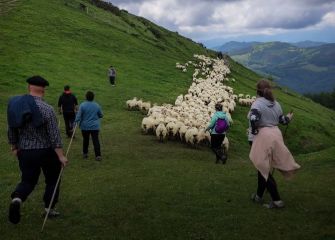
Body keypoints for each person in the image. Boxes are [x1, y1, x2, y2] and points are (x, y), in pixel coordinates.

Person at [7, 76, 68, 224]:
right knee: (53, 179)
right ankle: (49, 209)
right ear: (43, 89)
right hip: (46, 151)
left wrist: (14, 146)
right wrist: (61, 156)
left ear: (29, 87)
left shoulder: (16, 105)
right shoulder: (47, 109)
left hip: (26, 152)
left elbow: (11, 127)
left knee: (27, 180)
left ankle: (17, 199)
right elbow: (54, 135)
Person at [248, 79, 300, 209]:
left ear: (257, 91)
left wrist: (254, 130)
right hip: (275, 135)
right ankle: (259, 196)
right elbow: (282, 120)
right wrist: (289, 117)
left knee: (262, 168)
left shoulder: (257, 104)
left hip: (263, 137)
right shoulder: (276, 104)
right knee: (262, 168)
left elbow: (254, 118)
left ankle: (277, 200)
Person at [75, 91, 103, 161]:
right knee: (95, 140)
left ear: (86, 97)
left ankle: (85, 153)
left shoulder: (82, 105)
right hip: (95, 126)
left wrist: (76, 121)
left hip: (85, 126)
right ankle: (98, 155)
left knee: (86, 140)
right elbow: (101, 115)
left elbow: (78, 116)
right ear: (93, 97)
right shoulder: (97, 105)